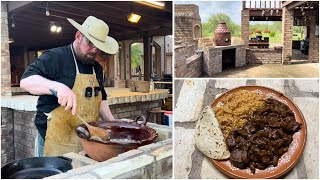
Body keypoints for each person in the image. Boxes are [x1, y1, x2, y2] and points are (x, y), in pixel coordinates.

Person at [20, 16, 119, 156]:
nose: (94, 50)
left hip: (86, 141)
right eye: (90, 43)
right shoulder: (55, 57)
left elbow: (101, 98)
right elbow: (26, 81)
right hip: (55, 142)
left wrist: (113, 124)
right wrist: (57, 87)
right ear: (78, 36)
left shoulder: (96, 67)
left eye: (99, 47)